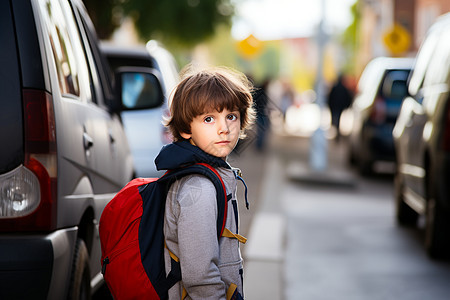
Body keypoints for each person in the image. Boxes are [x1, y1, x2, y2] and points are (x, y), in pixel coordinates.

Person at [155, 65, 256, 299]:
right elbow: (200, 277)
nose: (224, 128)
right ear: (185, 129)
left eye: (231, 116)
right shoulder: (198, 188)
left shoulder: (213, 173)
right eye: (209, 119)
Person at [327, 74, 352, 142]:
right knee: (337, 120)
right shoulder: (343, 88)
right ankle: (337, 132)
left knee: (335, 119)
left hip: (335, 107)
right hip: (339, 107)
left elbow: (330, 98)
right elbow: (348, 98)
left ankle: (336, 132)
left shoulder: (335, 88)